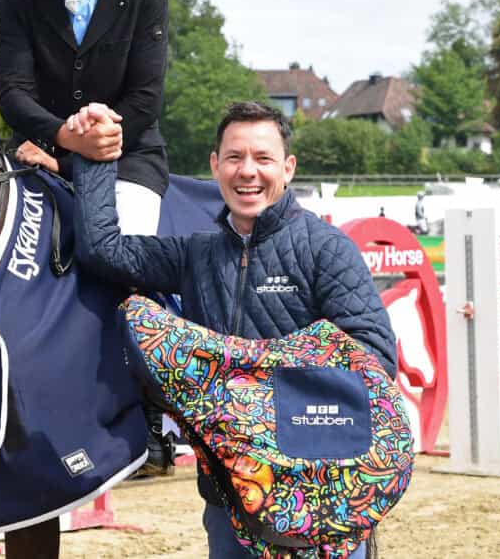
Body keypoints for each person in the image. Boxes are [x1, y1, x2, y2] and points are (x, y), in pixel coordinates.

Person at [69, 100, 397, 558]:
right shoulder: (196, 255)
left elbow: (375, 359)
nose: (248, 172)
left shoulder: (327, 250)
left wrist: (257, 387)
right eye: (234, 158)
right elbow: (103, 250)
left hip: (320, 494)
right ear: (214, 165)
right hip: (229, 498)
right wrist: (95, 157)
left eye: (263, 159)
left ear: (287, 168)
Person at [0, 0, 175, 473]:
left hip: (129, 156)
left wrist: (99, 138)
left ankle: (154, 412)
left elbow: (147, 96)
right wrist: (62, 139)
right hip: (44, 151)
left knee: (125, 254)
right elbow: (12, 91)